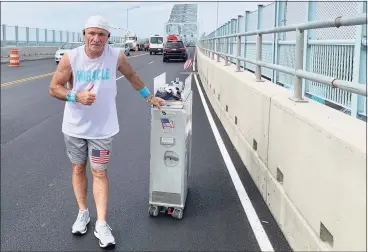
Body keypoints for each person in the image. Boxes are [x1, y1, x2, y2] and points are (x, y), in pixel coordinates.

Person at [49, 15, 165, 248]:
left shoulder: (116, 56)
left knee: (99, 172)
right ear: (84, 35)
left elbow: (132, 76)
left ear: (108, 37)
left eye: (101, 34)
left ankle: (101, 223)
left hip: (103, 130)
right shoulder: (71, 58)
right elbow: (54, 88)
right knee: (78, 167)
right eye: (91, 33)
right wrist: (75, 96)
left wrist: (149, 97)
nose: (96, 38)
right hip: (74, 128)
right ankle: (83, 213)